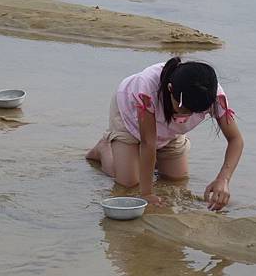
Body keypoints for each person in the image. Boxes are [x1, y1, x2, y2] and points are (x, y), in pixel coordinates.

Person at [86, 57, 243, 210]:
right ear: (170, 89)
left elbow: (236, 139)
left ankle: (142, 159)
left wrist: (223, 179)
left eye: (195, 112)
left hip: (170, 130)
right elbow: (148, 142)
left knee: (176, 180)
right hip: (130, 118)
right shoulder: (147, 88)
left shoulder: (211, 96)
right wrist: (147, 193)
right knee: (129, 183)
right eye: (184, 109)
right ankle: (104, 149)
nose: (187, 115)